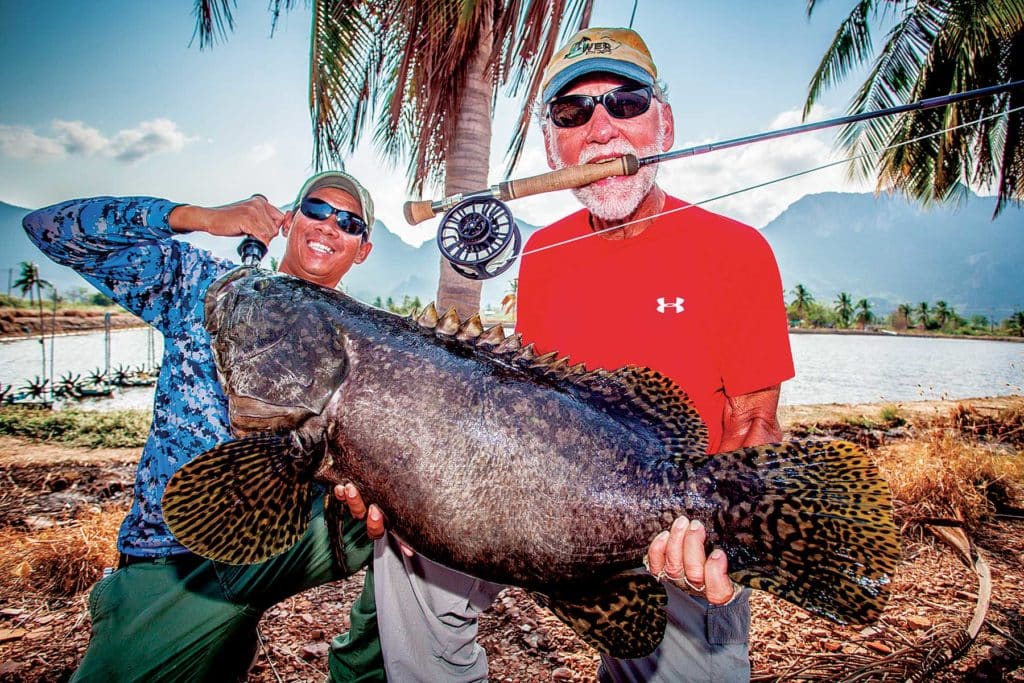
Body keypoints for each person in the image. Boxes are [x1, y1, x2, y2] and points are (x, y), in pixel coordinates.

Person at [371, 27, 794, 682]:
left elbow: (754, 424)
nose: (601, 128)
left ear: (665, 123)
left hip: (680, 526)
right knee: (408, 564)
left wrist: (722, 540)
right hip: (554, 509)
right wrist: (424, 495)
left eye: (626, 102)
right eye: (574, 111)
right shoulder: (543, 257)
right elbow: (532, 412)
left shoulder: (737, 251)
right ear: (552, 143)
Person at [23, 171, 389, 682]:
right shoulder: (206, 286)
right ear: (289, 219)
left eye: (348, 222)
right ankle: (153, 614)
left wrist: (366, 491)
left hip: (281, 545)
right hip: (174, 563)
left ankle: (363, 673)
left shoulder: (368, 342)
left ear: (362, 249)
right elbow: (48, 229)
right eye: (317, 209)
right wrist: (199, 218)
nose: (329, 226)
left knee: (420, 525)